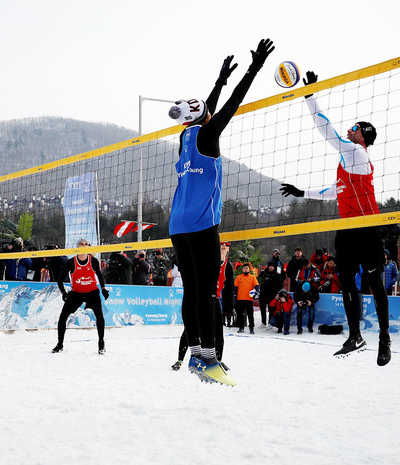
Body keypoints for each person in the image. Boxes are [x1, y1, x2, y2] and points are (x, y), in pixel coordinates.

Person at [167, 38, 274, 385]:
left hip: (178, 225)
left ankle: (196, 355)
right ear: (204, 118)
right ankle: (208, 362)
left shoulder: (185, 138)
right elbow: (230, 105)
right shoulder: (208, 135)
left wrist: (219, 79)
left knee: (191, 294)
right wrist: (253, 69)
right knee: (207, 294)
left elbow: (208, 109)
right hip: (201, 225)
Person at [279, 69, 392, 365]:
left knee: (376, 285)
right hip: (346, 230)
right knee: (347, 283)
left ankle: (384, 337)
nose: (349, 130)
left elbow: (325, 129)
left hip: (367, 228)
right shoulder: (346, 163)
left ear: (362, 135)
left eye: (354, 127)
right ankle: (355, 335)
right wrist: (302, 191)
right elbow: (333, 191)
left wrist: (310, 95)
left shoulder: (357, 153)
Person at [172, 241, 233, 371]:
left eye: (226, 245)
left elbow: (229, 288)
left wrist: (229, 307)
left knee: (218, 333)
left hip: (214, 299)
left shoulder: (228, 265)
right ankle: (180, 360)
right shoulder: (209, 259)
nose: (223, 246)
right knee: (190, 331)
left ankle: (218, 362)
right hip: (200, 298)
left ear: (228, 249)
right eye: (221, 244)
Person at [52, 239, 110, 354]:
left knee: (100, 317)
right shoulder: (70, 262)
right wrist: (63, 292)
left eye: (86, 244)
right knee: (62, 317)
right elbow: (59, 280)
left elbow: (100, 275)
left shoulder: (93, 261)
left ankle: (101, 344)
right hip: (76, 293)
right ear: (77, 247)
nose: (84, 246)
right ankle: (60, 344)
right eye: (81, 244)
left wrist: (103, 289)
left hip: (92, 292)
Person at [234, 263, 260, 334]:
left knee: (250, 315)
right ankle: (241, 327)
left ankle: (251, 328)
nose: (245, 269)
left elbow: (257, 285)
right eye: (244, 268)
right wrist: (235, 296)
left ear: (249, 269)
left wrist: (257, 291)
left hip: (249, 299)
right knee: (240, 314)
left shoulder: (252, 277)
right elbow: (235, 288)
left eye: (247, 268)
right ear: (242, 269)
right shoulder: (238, 277)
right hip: (240, 299)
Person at [257, 261, 284, 328]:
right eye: (270, 266)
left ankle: (270, 322)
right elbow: (258, 281)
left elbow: (280, 285)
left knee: (271, 309)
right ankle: (263, 322)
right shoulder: (263, 273)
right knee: (262, 308)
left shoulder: (277, 275)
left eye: (272, 266)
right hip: (263, 294)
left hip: (272, 294)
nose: (271, 268)